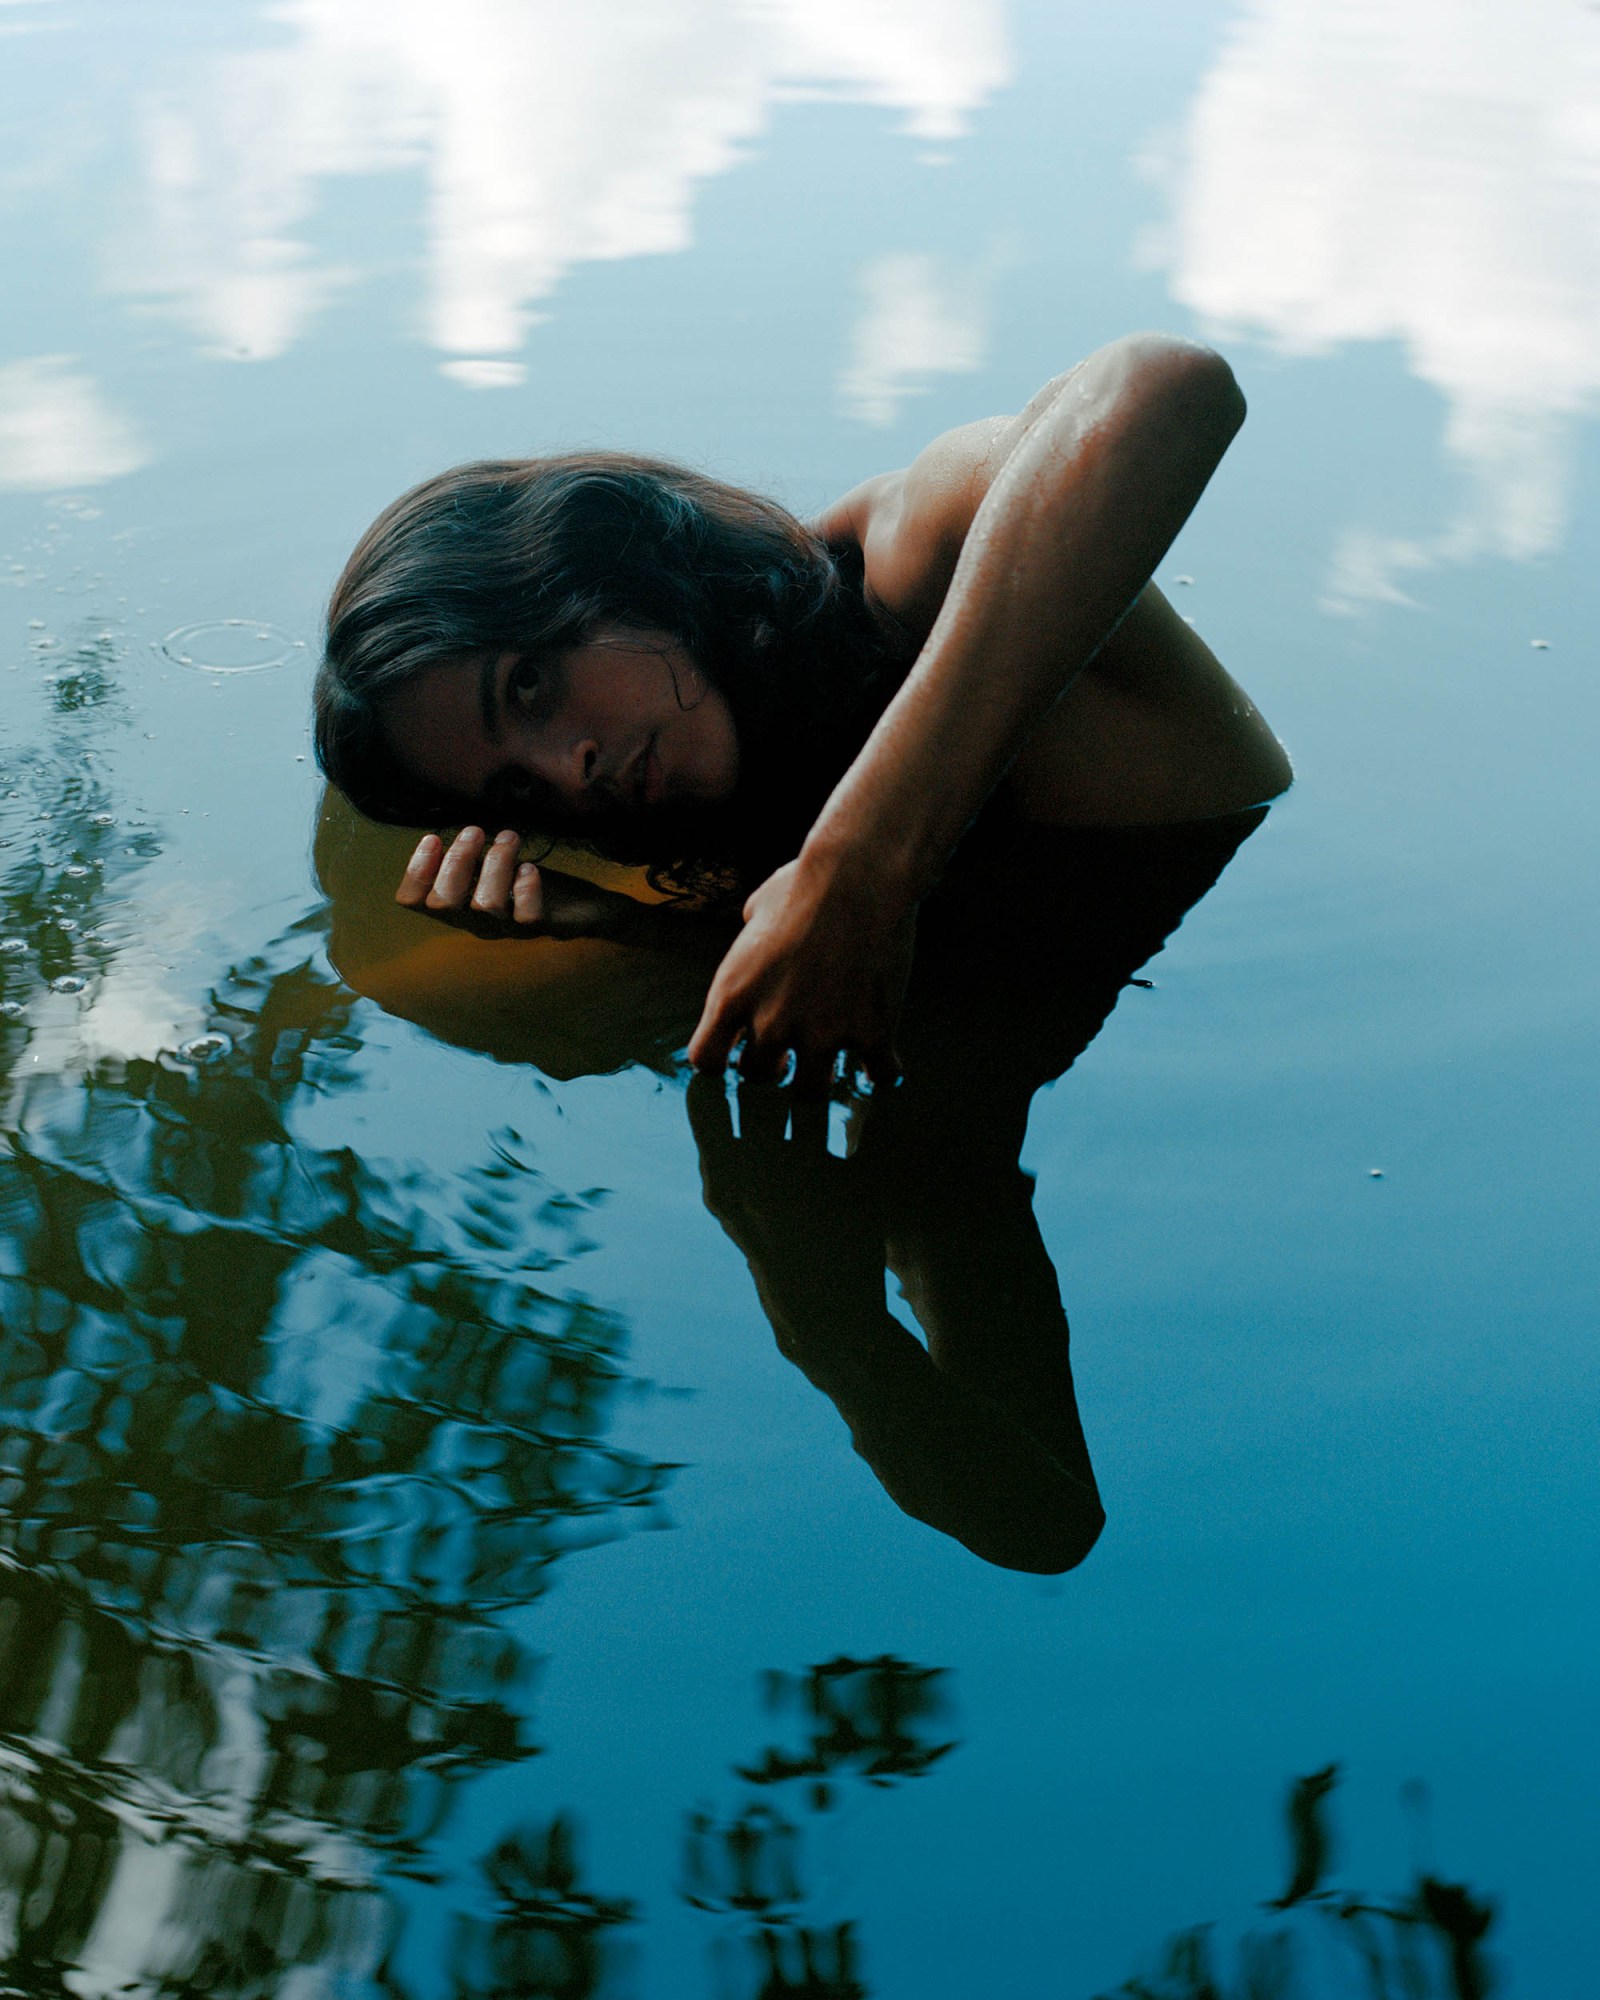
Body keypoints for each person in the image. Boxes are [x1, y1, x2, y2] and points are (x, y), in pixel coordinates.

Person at [314, 331, 1292, 1089]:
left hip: (1281, 993)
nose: (571, 769)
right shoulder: (751, 789)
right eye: (518, 787)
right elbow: (976, 991)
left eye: (528, 684)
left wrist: (862, 865)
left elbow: (1165, 388)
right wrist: (638, 930)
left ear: (604, 561)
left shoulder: (908, 570)